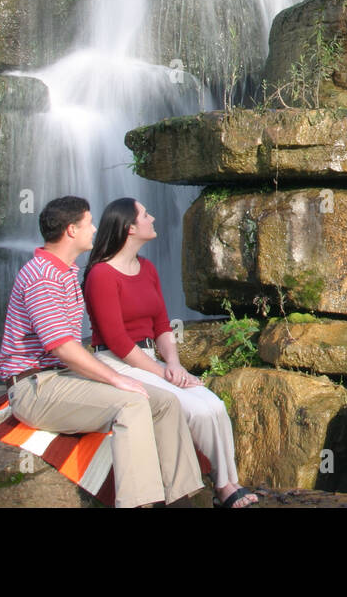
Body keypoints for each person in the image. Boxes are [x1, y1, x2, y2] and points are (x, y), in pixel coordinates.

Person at [0, 195, 204, 508]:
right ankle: (140, 503)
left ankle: (182, 500)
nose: (95, 229)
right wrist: (115, 379)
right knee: (131, 404)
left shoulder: (65, 272)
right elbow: (62, 347)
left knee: (164, 402)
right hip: (35, 387)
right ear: (70, 230)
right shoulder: (42, 274)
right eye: (88, 223)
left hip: (64, 378)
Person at [83, 197, 259, 509]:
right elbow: (118, 341)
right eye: (145, 215)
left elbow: (162, 325)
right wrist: (164, 374)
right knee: (195, 409)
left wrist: (175, 364)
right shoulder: (101, 275)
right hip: (116, 362)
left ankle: (229, 481)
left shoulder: (147, 268)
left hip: (150, 359)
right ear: (130, 227)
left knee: (214, 405)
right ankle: (220, 486)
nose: (152, 218)